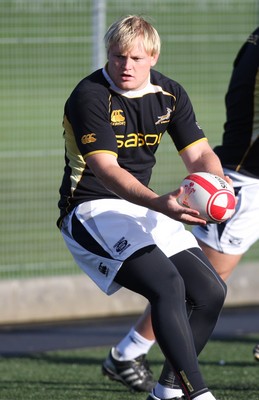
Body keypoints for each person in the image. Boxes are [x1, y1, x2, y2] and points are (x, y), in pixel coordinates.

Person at [57, 15, 229, 400]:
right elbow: (105, 169)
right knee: (167, 286)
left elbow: (200, 153)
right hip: (91, 209)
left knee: (210, 292)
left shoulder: (169, 93)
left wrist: (218, 187)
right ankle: (197, 394)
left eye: (135, 58)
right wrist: (158, 203)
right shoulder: (90, 95)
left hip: (141, 209)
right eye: (118, 56)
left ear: (152, 56)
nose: (125, 66)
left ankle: (166, 391)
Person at [102, 26, 259, 396]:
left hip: (242, 171)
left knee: (197, 289)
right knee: (199, 287)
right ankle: (129, 352)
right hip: (245, 176)